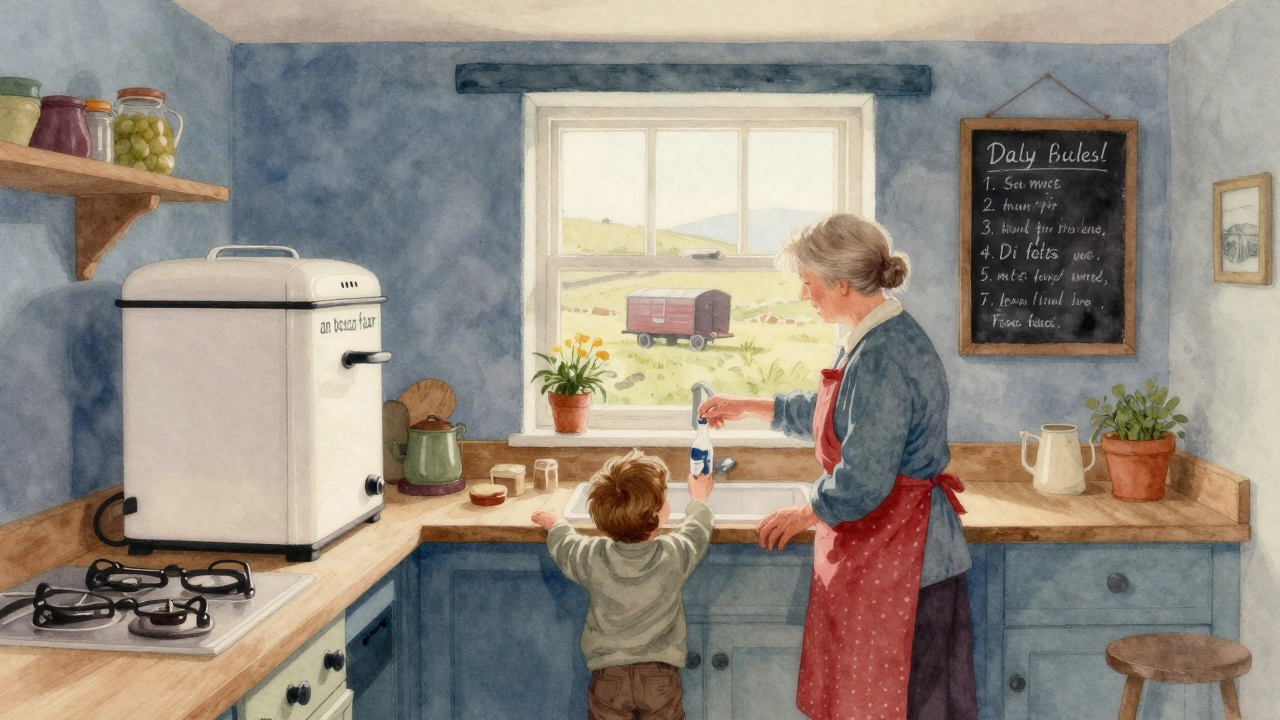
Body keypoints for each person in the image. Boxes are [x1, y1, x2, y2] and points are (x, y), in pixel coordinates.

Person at [698, 213, 978, 720]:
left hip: (907, 564)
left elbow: (864, 478)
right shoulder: (877, 338)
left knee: (905, 707)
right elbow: (839, 416)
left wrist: (806, 512)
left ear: (841, 284)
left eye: (808, 284)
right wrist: (752, 406)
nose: (805, 296)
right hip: (896, 554)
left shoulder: (881, 357)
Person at [531, 450, 715, 720]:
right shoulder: (674, 554)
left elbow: (566, 546)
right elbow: (697, 529)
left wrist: (555, 523)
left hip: (609, 677)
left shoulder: (593, 556)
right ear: (656, 514)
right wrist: (699, 499)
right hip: (659, 677)